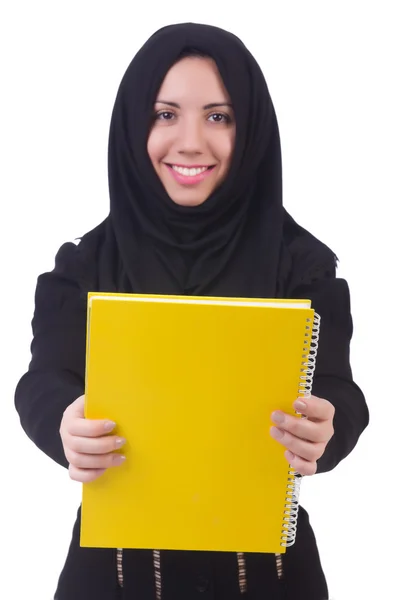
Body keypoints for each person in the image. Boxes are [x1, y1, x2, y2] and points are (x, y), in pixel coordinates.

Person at [14, 22, 369, 600]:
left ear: (250, 130)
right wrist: (62, 421)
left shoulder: (301, 266)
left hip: (270, 577)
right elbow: (42, 379)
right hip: (117, 575)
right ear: (134, 125)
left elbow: (337, 388)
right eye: (165, 114)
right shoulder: (84, 265)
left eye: (219, 116)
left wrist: (330, 427)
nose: (190, 142)